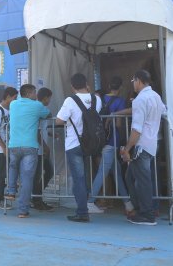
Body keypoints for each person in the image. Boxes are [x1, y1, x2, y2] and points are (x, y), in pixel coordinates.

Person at [120, 70, 167, 226]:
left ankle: (146, 214)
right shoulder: (156, 97)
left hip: (141, 145)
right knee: (134, 177)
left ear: (138, 81)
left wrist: (127, 148)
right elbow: (164, 112)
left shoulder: (140, 100)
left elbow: (137, 129)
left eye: (133, 80)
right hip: (152, 143)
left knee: (142, 180)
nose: (133, 83)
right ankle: (144, 209)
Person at [55, 73, 102, 222]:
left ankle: (82, 212)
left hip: (74, 144)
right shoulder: (97, 99)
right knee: (86, 176)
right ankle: (87, 204)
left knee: (79, 179)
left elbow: (59, 121)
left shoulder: (70, 100)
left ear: (72, 86)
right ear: (87, 83)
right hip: (92, 143)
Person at [87, 76, 134, 215]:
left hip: (100, 140)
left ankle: (128, 203)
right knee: (103, 172)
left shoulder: (99, 98)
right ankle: (90, 202)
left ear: (108, 85)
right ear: (121, 88)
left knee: (117, 172)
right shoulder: (120, 101)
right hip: (112, 140)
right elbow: (118, 124)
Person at [5, 84, 50, 218]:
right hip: (29, 146)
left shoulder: (13, 104)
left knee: (13, 167)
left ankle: (11, 191)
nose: (36, 95)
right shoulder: (36, 105)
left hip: (14, 144)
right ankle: (22, 210)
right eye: (34, 92)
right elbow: (48, 114)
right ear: (30, 93)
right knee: (27, 179)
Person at [0, 87, 18, 210]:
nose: (15, 100)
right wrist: (3, 147)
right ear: (8, 96)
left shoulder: (9, 110)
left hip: (9, 147)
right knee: (1, 175)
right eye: (14, 98)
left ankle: (3, 196)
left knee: (7, 174)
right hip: (0, 149)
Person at [32, 87, 55, 211]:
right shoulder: (40, 109)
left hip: (41, 147)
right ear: (45, 98)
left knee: (43, 173)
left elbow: (43, 128)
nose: (50, 101)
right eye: (49, 98)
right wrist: (45, 147)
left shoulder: (40, 109)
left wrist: (51, 134)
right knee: (40, 174)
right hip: (39, 148)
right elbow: (37, 131)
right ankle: (36, 200)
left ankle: (36, 199)